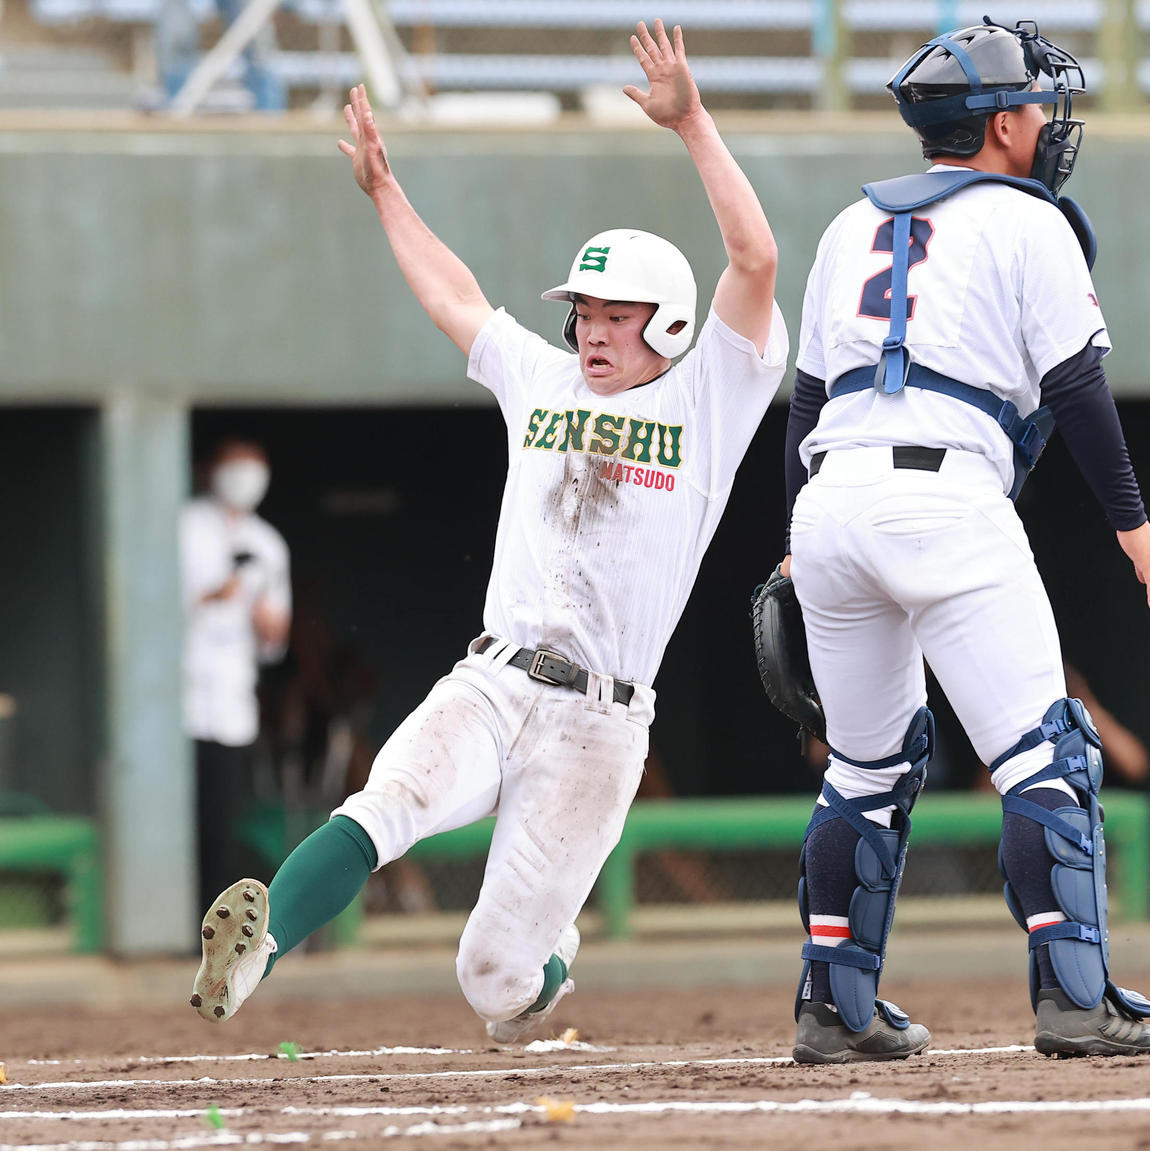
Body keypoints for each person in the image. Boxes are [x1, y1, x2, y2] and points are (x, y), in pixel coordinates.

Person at [190, 19, 786, 1039]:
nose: (591, 330)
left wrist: (691, 124)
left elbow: (755, 254)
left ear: (672, 324)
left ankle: (549, 955)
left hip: (599, 722)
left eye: (616, 314)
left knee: (495, 980)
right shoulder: (544, 375)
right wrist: (386, 192)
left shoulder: (712, 397)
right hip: (493, 675)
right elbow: (453, 296)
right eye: (584, 311)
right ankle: (261, 947)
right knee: (386, 801)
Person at [781, 18, 1150, 1063]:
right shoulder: (1026, 219)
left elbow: (804, 405)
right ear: (999, 124)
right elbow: (1077, 386)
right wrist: (1131, 521)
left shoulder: (841, 226)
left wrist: (790, 541)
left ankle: (834, 1003)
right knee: (1046, 754)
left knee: (863, 769)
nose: (1047, 120)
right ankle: (1074, 997)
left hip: (829, 500)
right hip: (944, 494)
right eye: (1036, 105)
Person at [179, 438, 292, 909]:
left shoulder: (267, 542)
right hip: (179, 701)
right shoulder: (185, 526)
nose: (245, 477)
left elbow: (276, 640)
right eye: (235, 466)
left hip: (231, 701)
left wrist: (268, 626)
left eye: (255, 467)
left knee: (220, 819)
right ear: (211, 470)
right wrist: (213, 596)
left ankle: (205, 926)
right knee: (178, 818)